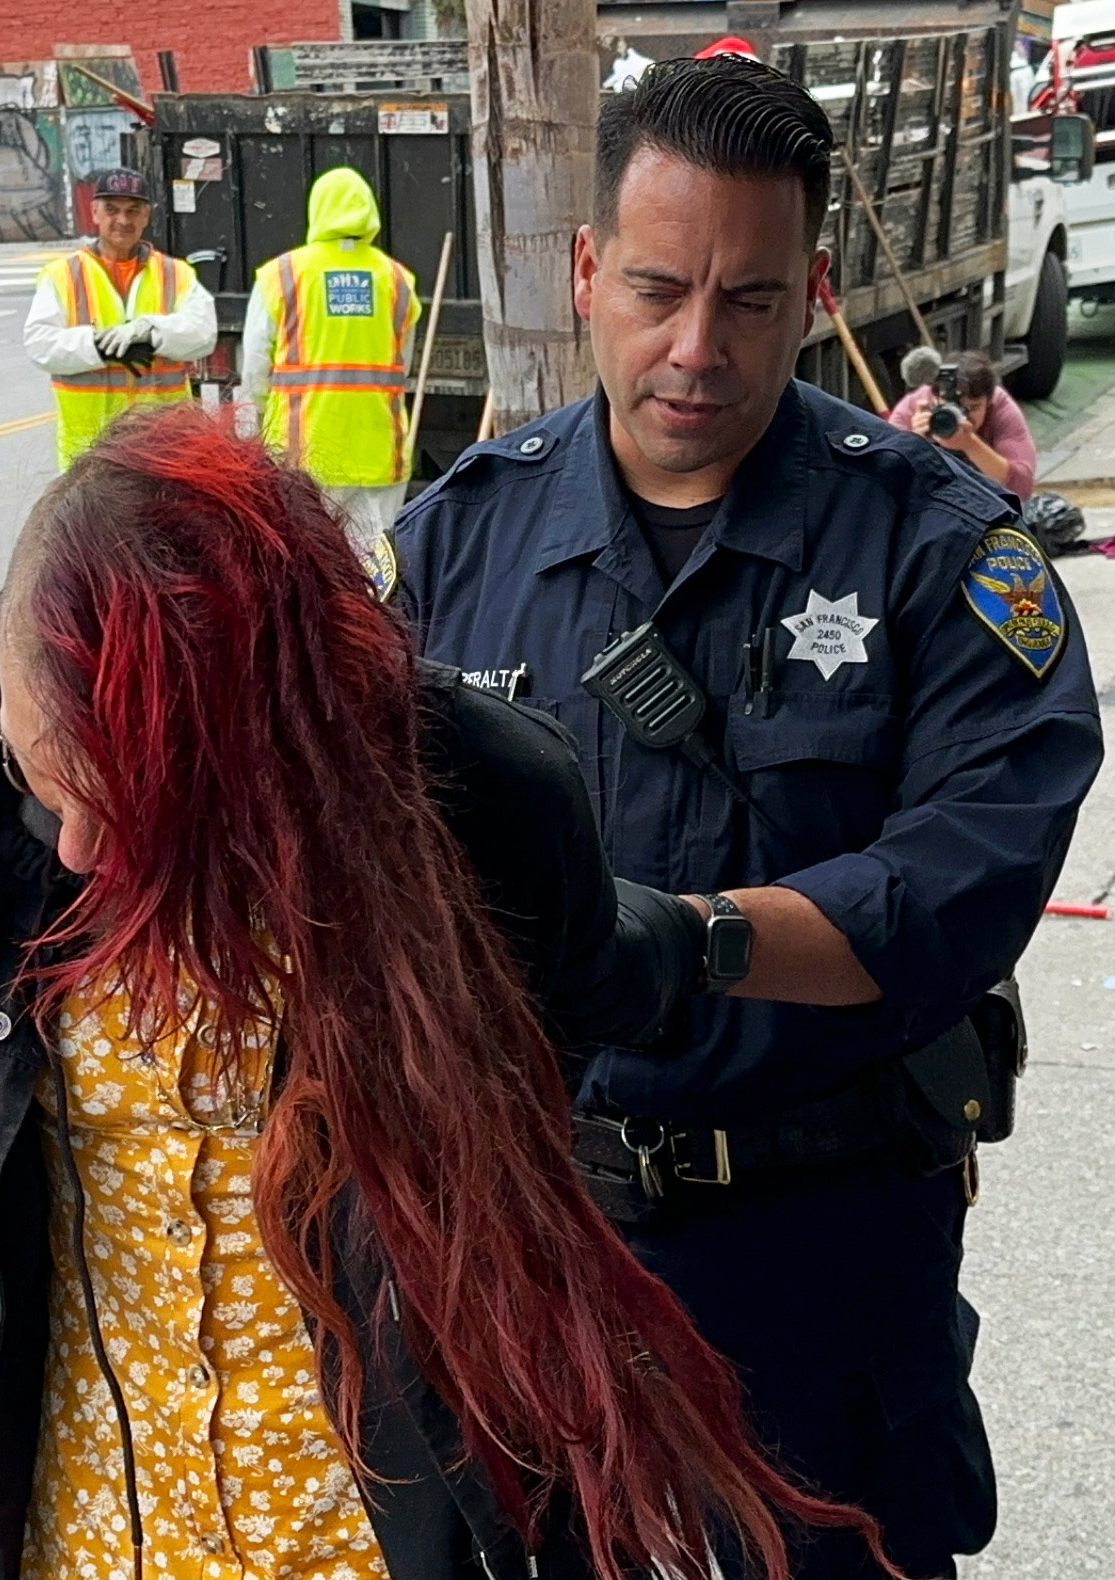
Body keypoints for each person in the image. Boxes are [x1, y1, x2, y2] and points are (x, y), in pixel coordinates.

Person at [0, 402, 889, 1580]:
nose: (82, 851)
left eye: (142, 796)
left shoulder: (478, 803)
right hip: (87, 1524)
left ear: (272, 730)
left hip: (378, 1534)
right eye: (47, 778)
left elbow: (590, 992)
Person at [387, 55, 1102, 1579]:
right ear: (585, 269)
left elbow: (972, 865)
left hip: (827, 1246)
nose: (694, 348)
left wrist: (692, 947)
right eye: (654, 289)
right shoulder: (462, 540)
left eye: (751, 300)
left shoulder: (939, 548)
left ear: (815, 285)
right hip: (543, 1241)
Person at [241, 167, 420, 546]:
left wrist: (253, 431)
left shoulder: (283, 273)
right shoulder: (397, 278)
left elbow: (255, 367)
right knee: (376, 566)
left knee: (311, 562)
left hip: (302, 453)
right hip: (379, 452)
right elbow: (403, 362)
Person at [24, 167, 218, 467]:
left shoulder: (175, 273)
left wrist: (151, 331)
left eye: (133, 211)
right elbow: (39, 345)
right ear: (95, 213)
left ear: (146, 216)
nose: (123, 220)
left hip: (164, 447)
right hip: (91, 449)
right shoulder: (63, 275)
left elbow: (204, 334)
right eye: (112, 210)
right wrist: (99, 346)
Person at [890, 346, 1038, 500]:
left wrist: (971, 445)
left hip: (988, 499)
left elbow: (1022, 488)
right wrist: (913, 444)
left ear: (989, 401)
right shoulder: (915, 406)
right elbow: (884, 474)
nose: (963, 416)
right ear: (934, 397)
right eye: (951, 405)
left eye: (973, 408)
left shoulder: (1002, 409)